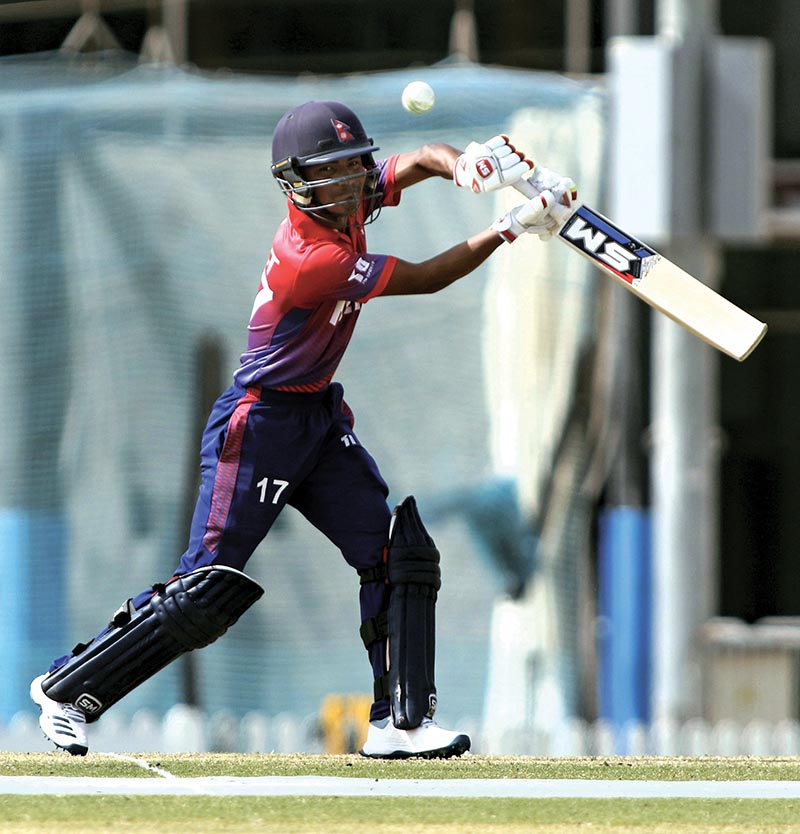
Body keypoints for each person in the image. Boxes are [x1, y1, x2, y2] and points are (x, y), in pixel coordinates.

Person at [29, 100, 577, 759]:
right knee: (205, 586)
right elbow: (429, 278)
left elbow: (418, 160)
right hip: (257, 425)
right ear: (297, 182)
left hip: (316, 416)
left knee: (394, 553)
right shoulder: (308, 255)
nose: (355, 185)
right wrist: (513, 224)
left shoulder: (344, 198)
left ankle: (399, 724)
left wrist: (467, 165)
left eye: (356, 168)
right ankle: (68, 689)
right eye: (335, 174)